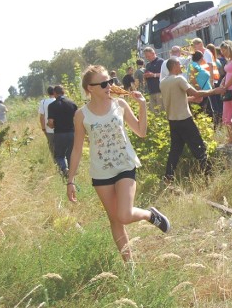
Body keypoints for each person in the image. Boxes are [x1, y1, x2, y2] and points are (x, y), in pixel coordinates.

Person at [66, 65, 170, 262]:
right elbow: (77, 149)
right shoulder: (81, 115)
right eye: (104, 83)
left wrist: (142, 105)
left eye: (110, 81)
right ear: (90, 88)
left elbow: (141, 131)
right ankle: (129, 266)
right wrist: (70, 180)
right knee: (114, 220)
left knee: (124, 214)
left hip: (125, 166)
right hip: (101, 173)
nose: (110, 86)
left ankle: (150, 215)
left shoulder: (120, 104)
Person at [159, 57, 219, 181]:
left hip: (173, 121)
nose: (181, 67)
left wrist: (190, 100)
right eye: (179, 65)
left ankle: (168, 176)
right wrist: (214, 91)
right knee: (199, 147)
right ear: (175, 65)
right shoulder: (179, 79)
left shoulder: (163, 82)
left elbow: (176, 99)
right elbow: (195, 93)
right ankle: (209, 175)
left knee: (175, 150)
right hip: (185, 119)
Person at [47, 85, 78, 177]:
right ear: (63, 92)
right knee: (70, 155)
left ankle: (64, 170)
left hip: (59, 133)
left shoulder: (52, 106)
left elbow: (51, 122)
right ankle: (72, 175)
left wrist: (50, 126)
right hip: (71, 133)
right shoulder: (72, 104)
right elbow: (77, 119)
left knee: (59, 156)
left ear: (55, 93)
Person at [143, 47, 164, 112]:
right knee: (153, 112)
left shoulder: (161, 62)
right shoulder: (148, 65)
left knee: (162, 111)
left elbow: (165, 75)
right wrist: (145, 76)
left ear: (153, 53)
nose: (147, 58)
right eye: (146, 57)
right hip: (151, 91)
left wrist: (153, 75)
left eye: (148, 56)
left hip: (159, 91)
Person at [38, 86, 56, 159]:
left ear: (47, 93)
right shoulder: (59, 100)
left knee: (52, 147)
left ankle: (56, 163)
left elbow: (42, 116)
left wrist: (43, 128)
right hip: (61, 129)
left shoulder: (43, 102)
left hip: (49, 129)